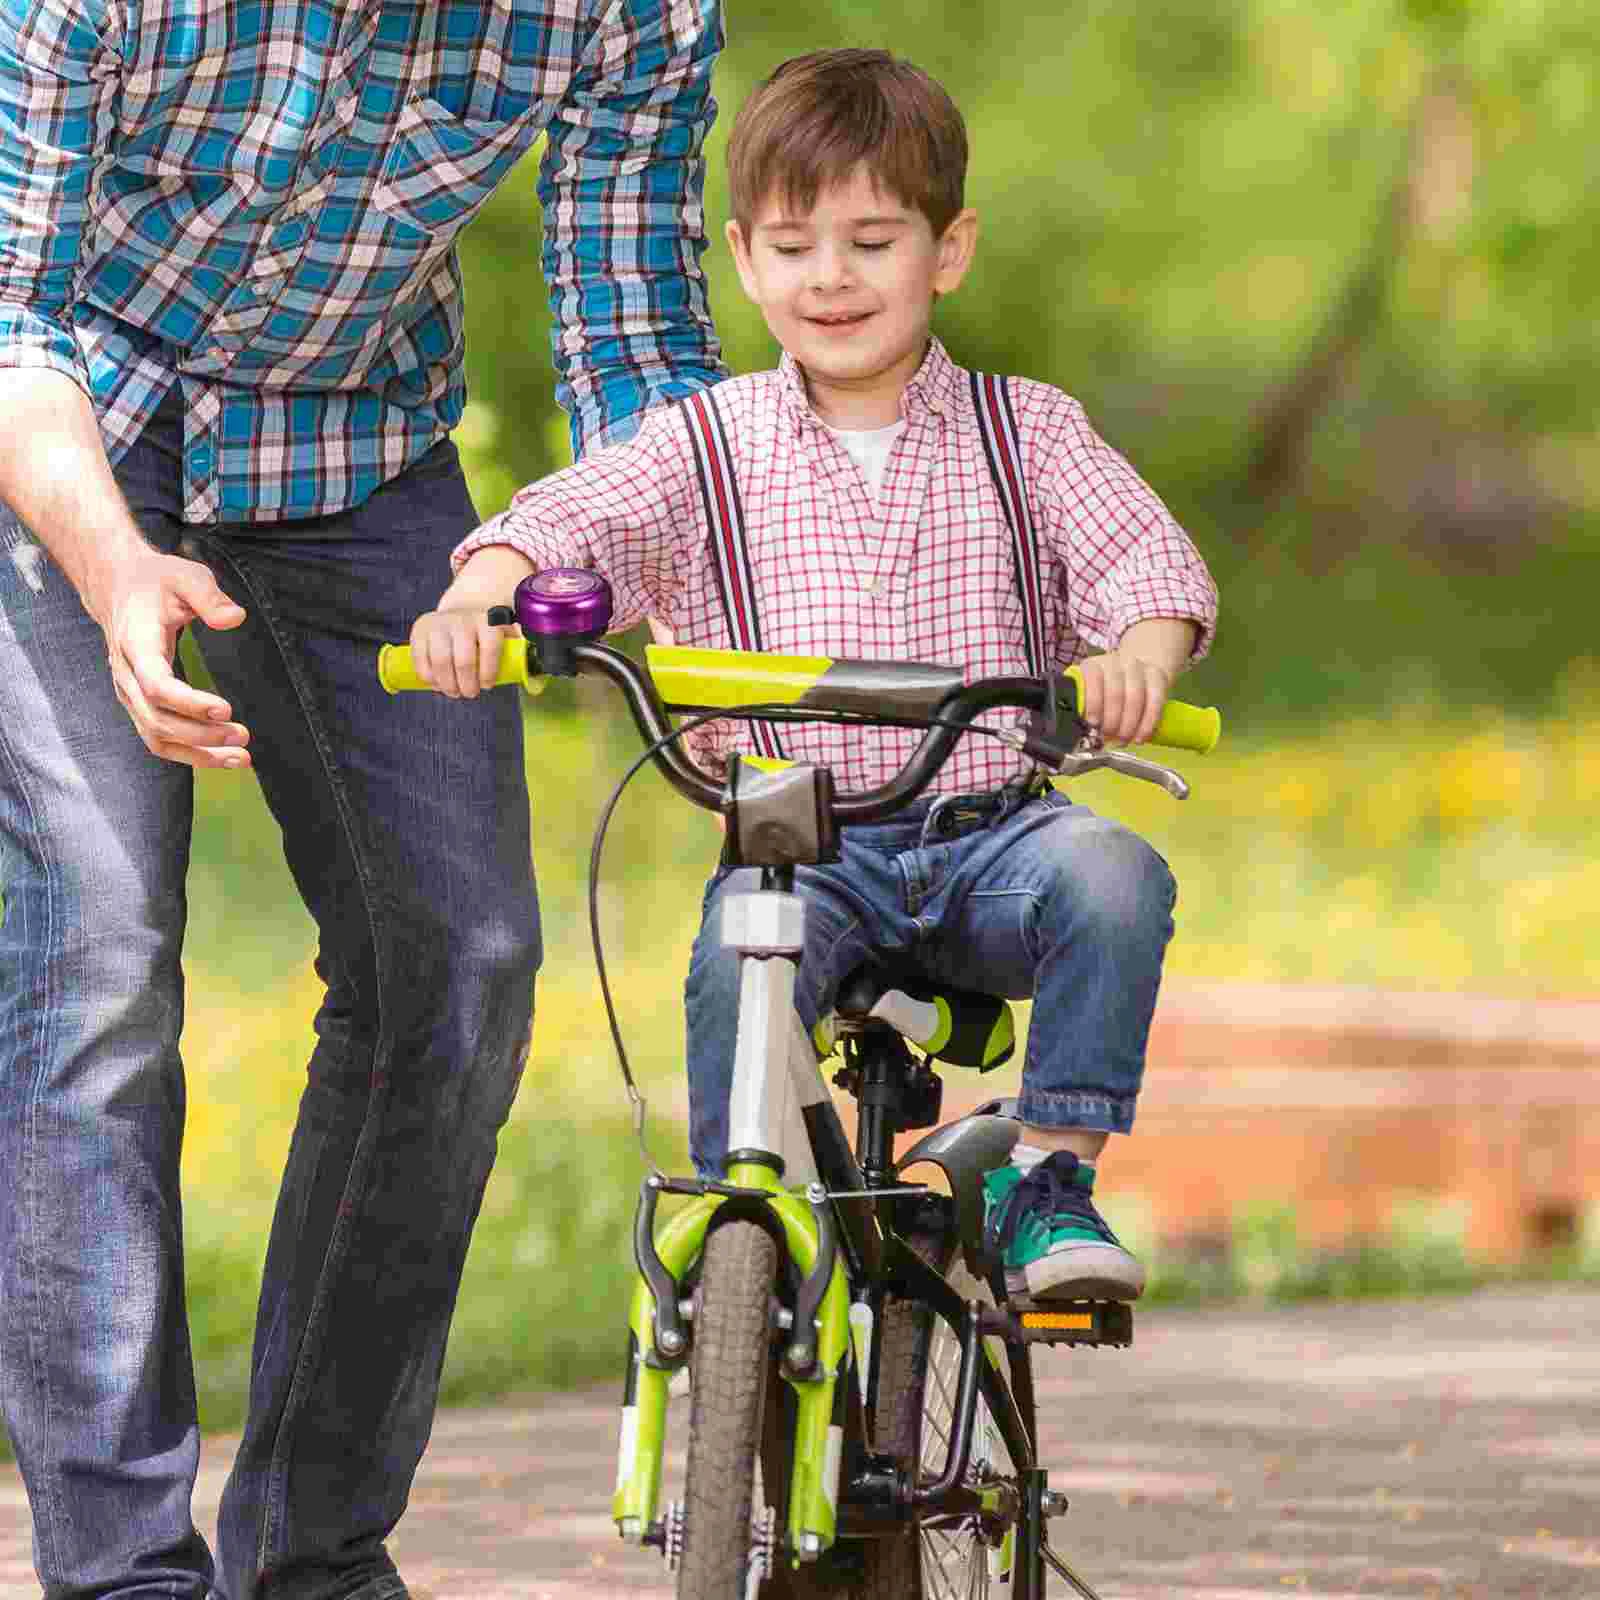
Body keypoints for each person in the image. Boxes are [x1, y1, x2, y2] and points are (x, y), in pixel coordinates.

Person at [0, 0, 724, 1595]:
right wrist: (114, 565)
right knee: (97, 968)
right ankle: (122, 1574)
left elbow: (635, 343)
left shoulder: (628, 16)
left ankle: (311, 1556)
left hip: (359, 450)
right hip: (77, 438)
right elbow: (11, 316)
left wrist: (710, 603)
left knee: (458, 967)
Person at [412, 48, 1218, 1307]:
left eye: (871, 240)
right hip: (802, 846)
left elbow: (1148, 567)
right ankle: (753, 1221)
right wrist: (482, 593)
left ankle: (1046, 1182)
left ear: (947, 251)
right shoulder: (705, 442)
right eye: (792, 247)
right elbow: (576, 517)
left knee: (1114, 875)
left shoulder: (1029, 431)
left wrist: (1134, 660)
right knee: (741, 945)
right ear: (743, 259)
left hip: (992, 834)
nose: (829, 277)